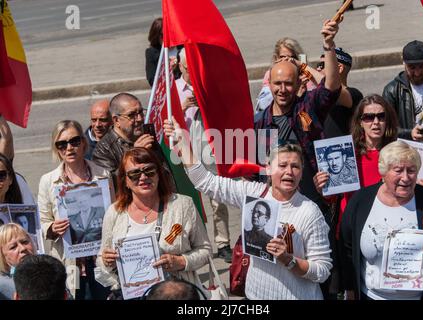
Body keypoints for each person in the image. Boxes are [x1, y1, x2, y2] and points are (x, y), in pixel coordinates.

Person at [165, 119, 332, 300]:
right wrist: (183, 143)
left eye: (295, 167)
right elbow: (206, 182)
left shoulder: (309, 211)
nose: (289, 172)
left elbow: (322, 271)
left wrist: (289, 260)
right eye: (282, 165)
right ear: (268, 168)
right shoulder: (254, 193)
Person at [253, 19, 342, 215]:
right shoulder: (259, 123)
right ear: (269, 84)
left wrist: (329, 46)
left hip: (312, 206)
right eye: (277, 84)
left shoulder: (308, 107)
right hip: (275, 211)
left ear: (297, 84)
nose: (282, 90)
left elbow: (332, 88)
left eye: (288, 84)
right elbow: (256, 174)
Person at [96, 147, 211, 297]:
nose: (143, 177)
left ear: (158, 174)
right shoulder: (114, 212)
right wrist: (106, 260)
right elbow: (101, 258)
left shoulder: (183, 205)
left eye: (149, 170)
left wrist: (182, 261)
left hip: (175, 294)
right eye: (134, 174)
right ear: (125, 181)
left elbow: (205, 250)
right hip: (132, 295)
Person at [314, 94, 399, 297]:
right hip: (350, 233)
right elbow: (333, 199)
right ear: (360, 122)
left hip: (387, 233)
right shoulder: (346, 153)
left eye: (380, 116)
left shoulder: (398, 153)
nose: (375, 122)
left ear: (388, 120)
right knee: (351, 291)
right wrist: (323, 189)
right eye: (368, 117)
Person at [340, 141, 423, 300]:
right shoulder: (361, 200)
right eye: (398, 170)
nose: (406, 178)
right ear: (383, 172)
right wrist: (349, 288)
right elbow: (347, 246)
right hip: (370, 295)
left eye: (411, 170)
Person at [38, 120, 113, 300]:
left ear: (84, 143)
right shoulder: (48, 181)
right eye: (62, 144)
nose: (69, 148)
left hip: (101, 259)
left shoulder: (103, 174)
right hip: (70, 263)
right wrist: (52, 228)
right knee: (76, 297)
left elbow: (116, 214)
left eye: (74, 141)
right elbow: (41, 222)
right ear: (57, 149)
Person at [176, 48, 233, 263]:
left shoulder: (207, 84)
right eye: (189, 70)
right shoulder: (175, 89)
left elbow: (224, 111)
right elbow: (166, 120)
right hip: (185, 151)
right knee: (188, 201)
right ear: (180, 67)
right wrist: (182, 107)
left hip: (209, 147)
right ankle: (196, 244)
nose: (192, 74)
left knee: (218, 199)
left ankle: (223, 242)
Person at [383, 40, 423, 198]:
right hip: (412, 170)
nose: (418, 72)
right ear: (403, 62)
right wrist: (408, 133)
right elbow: (384, 130)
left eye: (422, 66)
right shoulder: (393, 90)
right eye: (412, 67)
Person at [92, 93, 156, 178]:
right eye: (131, 115)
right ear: (116, 120)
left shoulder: (151, 132)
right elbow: (111, 183)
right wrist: (134, 155)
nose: (140, 118)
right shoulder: (103, 151)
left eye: (140, 112)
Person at [321, 47, 364, 138]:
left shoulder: (354, 94)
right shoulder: (316, 95)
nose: (318, 69)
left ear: (339, 68)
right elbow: (307, 125)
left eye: (323, 65)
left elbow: (332, 91)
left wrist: (303, 67)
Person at [0, 223, 36, 300]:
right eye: (13, 247)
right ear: (2, 255)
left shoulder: (51, 271)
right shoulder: (3, 286)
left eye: (25, 242)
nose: (22, 248)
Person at [145, 17, 181, 87]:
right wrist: (168, 69)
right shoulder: (151, 53)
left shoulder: (182, 47)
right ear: (156, 37)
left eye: (170, 34)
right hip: (170, 92)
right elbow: (152, 81)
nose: (167, 38)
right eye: (163, 35)